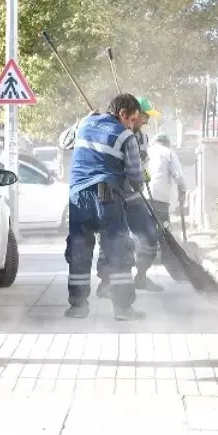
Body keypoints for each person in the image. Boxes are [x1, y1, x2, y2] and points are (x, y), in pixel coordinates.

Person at [64, 93, 147, 321]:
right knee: (117, 251)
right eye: (132, 119)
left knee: (79, 250)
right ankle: (122, 309)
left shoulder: (84, 123)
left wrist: (82, 119)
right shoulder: (126, 137)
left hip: (78, 196)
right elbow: (134, 176)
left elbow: (63, 142)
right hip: (107, 197)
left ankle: (78, 307)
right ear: (122, 114)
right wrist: (139, 185)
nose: (132, 125)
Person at [95, 95, 163, 296]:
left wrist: (144, 174)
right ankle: (106, 283)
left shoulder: (142, 137)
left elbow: (143, 165)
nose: (147, 121)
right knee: (112, 239)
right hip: (112, 195)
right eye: (145, 116)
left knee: (150, 236)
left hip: (134, 196)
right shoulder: (114, 133)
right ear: (134, 115)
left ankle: (141, 276)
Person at [147, 133, 188, 282]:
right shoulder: (168, 153)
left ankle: (140, 274)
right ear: (167, 143)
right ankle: (177, 273)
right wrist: (182, 191)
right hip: (159, 202)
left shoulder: (146, 151)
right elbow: (178, 175)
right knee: (164, 236)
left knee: (144, 235)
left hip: (141, 199)